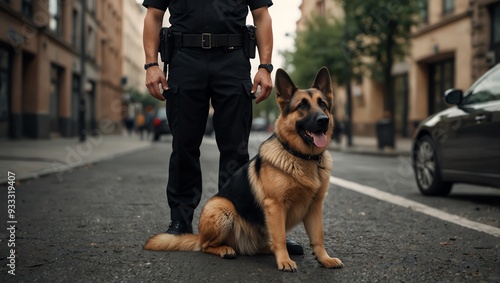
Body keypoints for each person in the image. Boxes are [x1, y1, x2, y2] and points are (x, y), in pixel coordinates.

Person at [142, 0, 303, 255]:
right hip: (185, 59)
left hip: (232, 59)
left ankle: (244, 226)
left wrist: (265, 67)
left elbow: (261, 15)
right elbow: (153, 15)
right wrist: (151, 65)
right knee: (184, 145)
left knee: (236, 149)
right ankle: (180, 222)